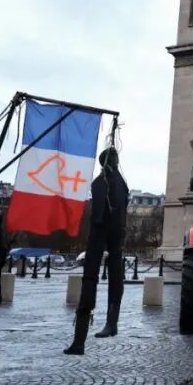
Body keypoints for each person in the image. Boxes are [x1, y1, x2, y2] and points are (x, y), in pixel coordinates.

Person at [65, 147, 129, 355]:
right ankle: (107, 325)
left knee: (94, 279)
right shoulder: (117, 183)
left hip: (103, 233)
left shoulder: (103, 182)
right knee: (110, 277)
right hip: (113, 232)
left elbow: (100, 212)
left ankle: (82, 339)